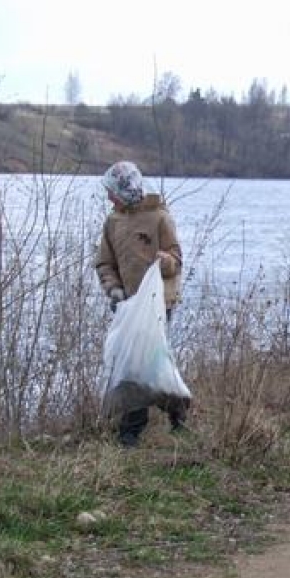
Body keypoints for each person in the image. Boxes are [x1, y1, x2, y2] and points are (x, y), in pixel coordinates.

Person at [95, 160, 189, 447]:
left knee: (150, 364)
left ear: (127, 189)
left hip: (159, 304)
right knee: (130, 366)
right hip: (126, 305)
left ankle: (171, 414)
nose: (109, 197)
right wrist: (113, 289)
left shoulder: (160, 217)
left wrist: (165, 263)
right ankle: (133, 428)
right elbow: (104, 262)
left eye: (112, 191)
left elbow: (177, 259)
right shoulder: (112, 221)